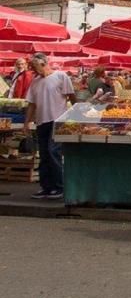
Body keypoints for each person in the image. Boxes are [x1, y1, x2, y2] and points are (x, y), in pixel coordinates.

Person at [23, 53, 74, 200]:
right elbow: (32, 104)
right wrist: (27, 122)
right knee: (44, 154)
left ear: (43, 63)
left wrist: (74, 115)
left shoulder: (60, 76)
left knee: (53, 152)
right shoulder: (35, 81)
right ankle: (46, 187)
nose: (33, 69)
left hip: (57, 120)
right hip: (42, 121)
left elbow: (71, 96)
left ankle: (59, 186)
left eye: (34, 66)